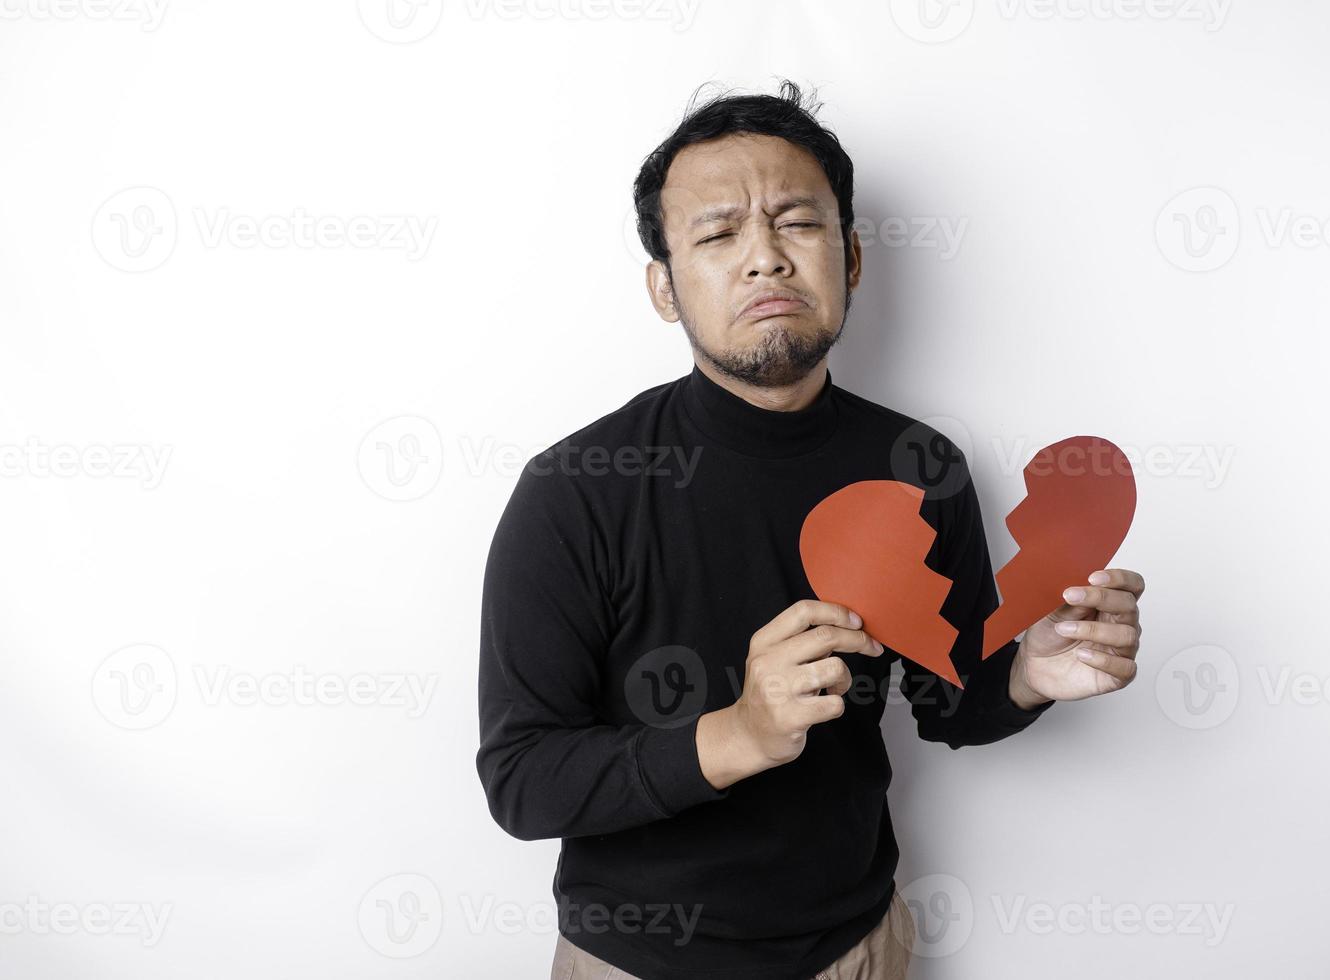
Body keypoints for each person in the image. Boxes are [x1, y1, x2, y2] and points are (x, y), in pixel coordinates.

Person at [477, 79, 1146, 980]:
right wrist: (738, 733)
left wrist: (1026, 673)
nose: (766, 259)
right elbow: (522, 781)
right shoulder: (573, 492)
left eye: (797, 223)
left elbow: (950, 704)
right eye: (718, 233)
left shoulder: (921, 464)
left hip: (862, 946)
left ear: (852, 257)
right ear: (663, 288)